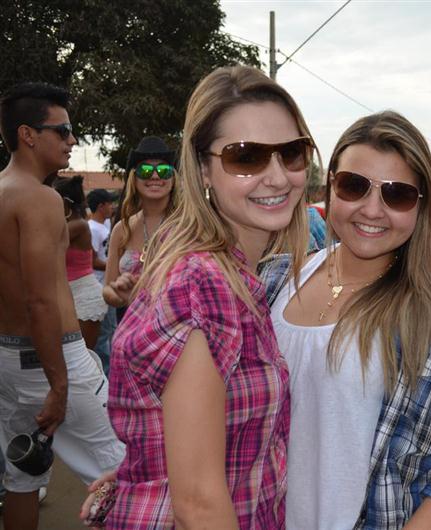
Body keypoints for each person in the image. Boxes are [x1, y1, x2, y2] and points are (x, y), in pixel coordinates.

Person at [80, 65, 313, 530]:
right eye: (246, 156)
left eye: (291, 153)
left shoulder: (232, 270)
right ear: (203, 167)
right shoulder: (203, 282)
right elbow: (199, 505)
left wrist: (143, 471)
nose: (277, 177)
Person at [262, 111, 431, 529]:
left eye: (397, 194)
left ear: (420, 206)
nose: (372, 210)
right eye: (354, 186)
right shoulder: (272, 281)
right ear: (331, 186)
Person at [0, 82, 124, 530]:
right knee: (127, 471)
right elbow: (40, 298)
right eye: (63, 130)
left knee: (22, 476)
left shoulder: (4, 190)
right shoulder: (39, 198)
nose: (72, 140)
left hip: (9, 360)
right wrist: (58, 384)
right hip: (52, 360)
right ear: (28, 135)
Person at [102, 136, 177, 318]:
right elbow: (108, 290)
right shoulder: (122, 229)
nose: (155, 176)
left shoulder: (189, 225)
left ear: (173, 178)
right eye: (145, 170)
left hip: (178, 328)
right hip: (131, 326)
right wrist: (120, 295)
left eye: (163, 170)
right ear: (133, 179)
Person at [53, 176, 108, 352]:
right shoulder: (70, 224)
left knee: (82, 355)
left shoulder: (79, 225)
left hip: (85, 297)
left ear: (64, 201)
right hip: (68, 294)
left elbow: (44, 242)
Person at [87, 188, 116, 371]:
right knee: (104, 333)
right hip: (99, 285)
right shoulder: (91, 229)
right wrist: (115, 266)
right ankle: (105, 372)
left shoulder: (105, 224)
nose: (112, 207)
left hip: (109, 282)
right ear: (101, 206)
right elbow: (91, 261)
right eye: (110, 203)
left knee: (112, 328)